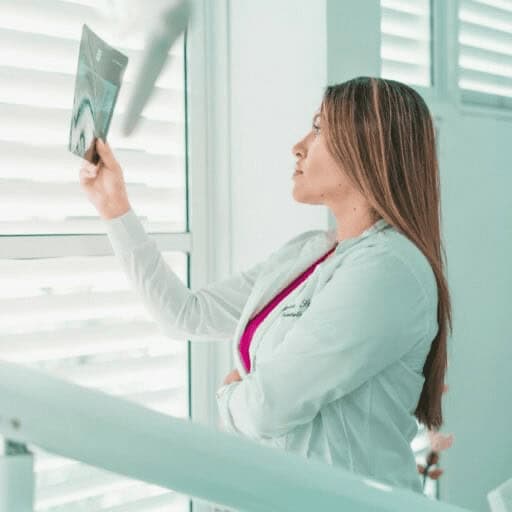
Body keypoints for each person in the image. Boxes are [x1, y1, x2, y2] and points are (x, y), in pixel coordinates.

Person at [79, 76, 452, 494]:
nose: (299, 145)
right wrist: (115, 208)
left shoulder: (390, 270)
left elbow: (266, 410)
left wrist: (229, 395)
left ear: (368, 149)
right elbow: (185, 315)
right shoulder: (309, 254)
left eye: (319, 128)